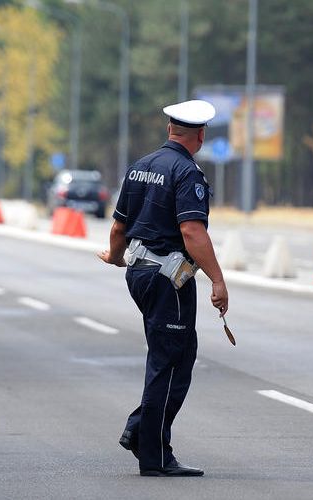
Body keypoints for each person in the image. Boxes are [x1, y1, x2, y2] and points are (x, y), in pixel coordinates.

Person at [98, 99, 229, 477]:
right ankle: (153, 454)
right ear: (200, 135)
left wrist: (114, 256)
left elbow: (119, 227)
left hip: (139, 273)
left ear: (170, 129)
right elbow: (191, 231)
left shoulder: (140, 167)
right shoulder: (186, 173)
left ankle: (143, 430)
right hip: (167, 279)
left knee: (176, 356)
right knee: (169, 363)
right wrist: (218, 280)